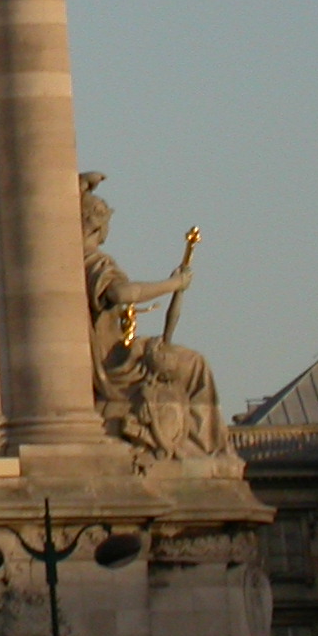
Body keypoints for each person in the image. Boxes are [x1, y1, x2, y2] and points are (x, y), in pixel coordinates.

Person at [79, 173, 229, 458]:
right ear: (97, 224)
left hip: (115, 353)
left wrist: (81, 186)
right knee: (195, 366)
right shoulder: (95, 262)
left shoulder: (75, 261)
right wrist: (173, 284)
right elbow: (122, 293)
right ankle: (200, 447)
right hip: (116, 362)